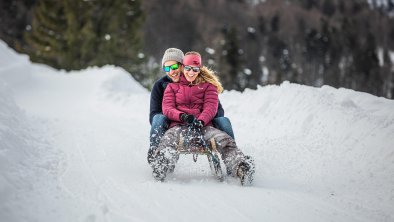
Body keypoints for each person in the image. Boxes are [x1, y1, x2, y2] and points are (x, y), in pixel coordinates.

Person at [151, 51, 255, 185]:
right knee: (169, 138)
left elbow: (211, 107)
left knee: (223, 140)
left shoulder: (208, 87)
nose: (190, 72)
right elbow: (167, 108)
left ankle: (240, 166)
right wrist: (182, 116)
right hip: (179, 125)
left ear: (199, 69)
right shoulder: (171, 87)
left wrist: (201, 120)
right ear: (183, 67)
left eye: (195, 69)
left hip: (204, 127)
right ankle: (161, 163)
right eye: (188, 68)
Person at [148, 48, 235, 165]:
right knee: (159, 118)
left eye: (174, 67)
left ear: (182, 65)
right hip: (172, 121)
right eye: (166, 68)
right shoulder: (162, 85)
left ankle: (234, 158)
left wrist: (202, 120)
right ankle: (157, 155)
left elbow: (214, 107)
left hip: (203, 122)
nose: (171, 71)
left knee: (223, 121)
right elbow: (155, 113)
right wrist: (179, 117)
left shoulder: (203, 84)